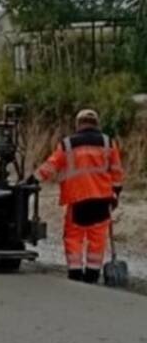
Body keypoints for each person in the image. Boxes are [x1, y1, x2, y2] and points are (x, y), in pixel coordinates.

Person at [33, 108, 124, 283]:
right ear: (97, 124)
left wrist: (33, 179)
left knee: (74, 237)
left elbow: (51, 165)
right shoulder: (107, 142)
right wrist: (116, 194)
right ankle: (92, 273)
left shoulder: (68, 144)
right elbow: (117, 171)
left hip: (77, 199)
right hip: (102, 198)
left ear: (78, 124)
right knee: (97, 238)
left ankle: (75, 272)